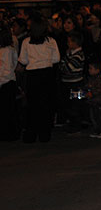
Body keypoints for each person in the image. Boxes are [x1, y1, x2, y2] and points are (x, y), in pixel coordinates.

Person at [18, 15, 60, 143]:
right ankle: (44, 134)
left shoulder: (26, 42)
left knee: (32, 105)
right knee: (46, 105)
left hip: (32, 75)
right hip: (47, 74)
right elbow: (56, 59)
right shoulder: (51, 41)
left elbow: (23, 60)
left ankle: (31, 134)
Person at [59, 31, 86, 133]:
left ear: (75, 43)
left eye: (69, 42)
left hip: (76, 83)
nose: (67, 43)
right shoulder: (69, 54)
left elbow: (67, 68)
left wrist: (64, 63)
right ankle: (71, 123)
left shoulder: (78, 55)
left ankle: (76, 125)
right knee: (68, 104)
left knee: (76, 105)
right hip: (67, 82)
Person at [0, 25, 19, 141]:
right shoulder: (11, 50)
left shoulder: (6, 51)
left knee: (5, 110)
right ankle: (10, 132)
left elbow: (6, 69)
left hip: (5, 82)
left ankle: (7, 133)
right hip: (9, 81)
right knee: (9, 109)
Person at [85, 61, 101, 138]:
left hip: (99, 100)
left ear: (97, 70)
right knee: (93, 116)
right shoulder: (91, 78)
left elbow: (99, 89)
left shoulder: (99, 79)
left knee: (98, 116)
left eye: (91, 68)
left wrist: (92, 93)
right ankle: (97, 130)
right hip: (93, 100)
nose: (89, 70)